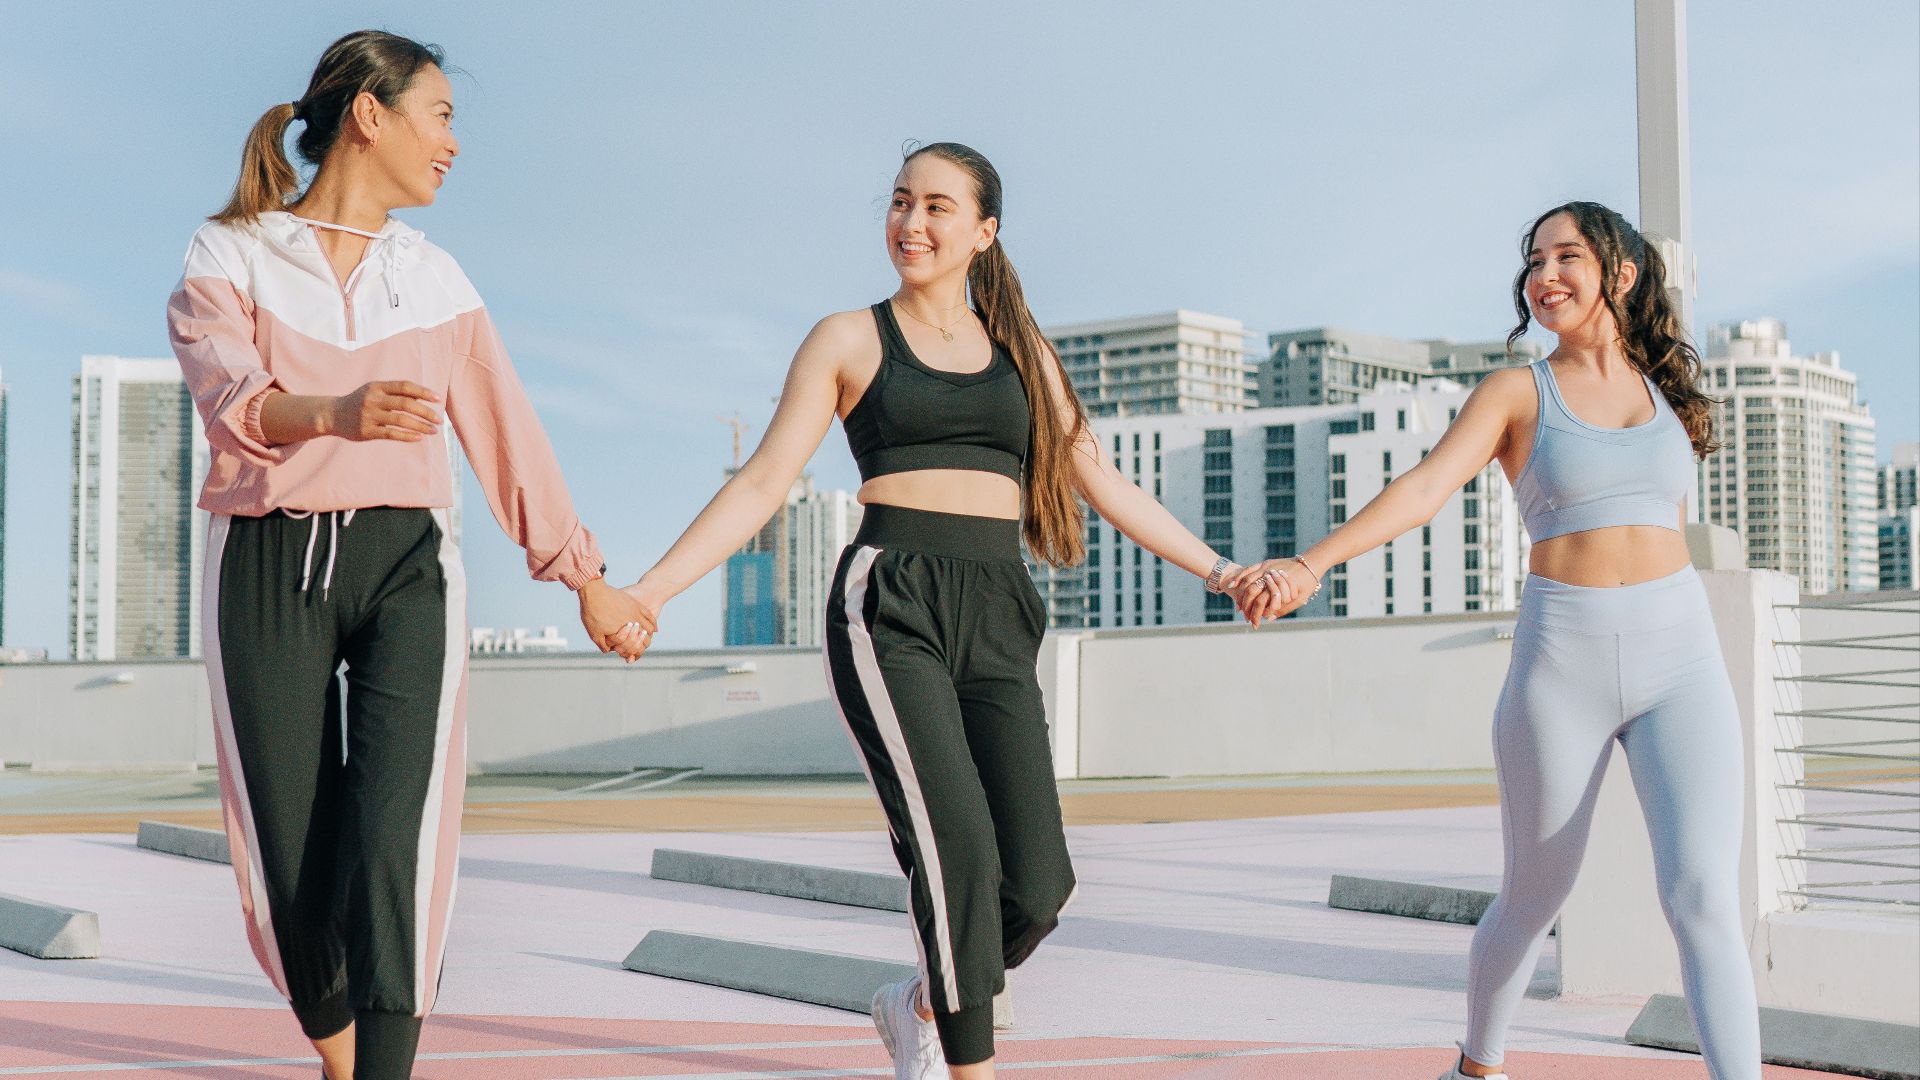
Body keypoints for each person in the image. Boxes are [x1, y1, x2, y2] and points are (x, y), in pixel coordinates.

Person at [605, 142, 1271, 1078]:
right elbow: (762, 482)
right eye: (899, 202)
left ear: (984, 232)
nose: (911, 223)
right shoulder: (849, 338)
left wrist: (1223, 571)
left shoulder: (1023, 353)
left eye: (936, 207)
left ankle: (916, 1001)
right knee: (956, 851)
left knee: (1038, 886)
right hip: (891, 603)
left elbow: (1100, 477)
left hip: (998, 605)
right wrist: (651, 590)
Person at [166, 30, 649, 1079]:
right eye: (441, 115)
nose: (454, 143)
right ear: (370, 115)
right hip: (264, 562)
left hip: (406, 565)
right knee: (289, 859)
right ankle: (336, 1042)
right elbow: (230, 397)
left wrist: (586, 577)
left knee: (400, 845)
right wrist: (335, 410)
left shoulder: (435, 278)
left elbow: (507, 432)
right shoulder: (231, 251)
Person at [1236, 201, 1760, 1080]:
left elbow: (1659, 520)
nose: (1544, 276)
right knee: (1534, 895)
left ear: (1621, 273)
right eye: (1534, 261)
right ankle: (1479, 1066)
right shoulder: (1518, 393)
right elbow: (1423, 489)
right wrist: (1309, 564)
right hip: (1564, 663)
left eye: (1566, 257)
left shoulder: (1666, 390)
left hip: (1683, 660)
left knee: (1704, 897)